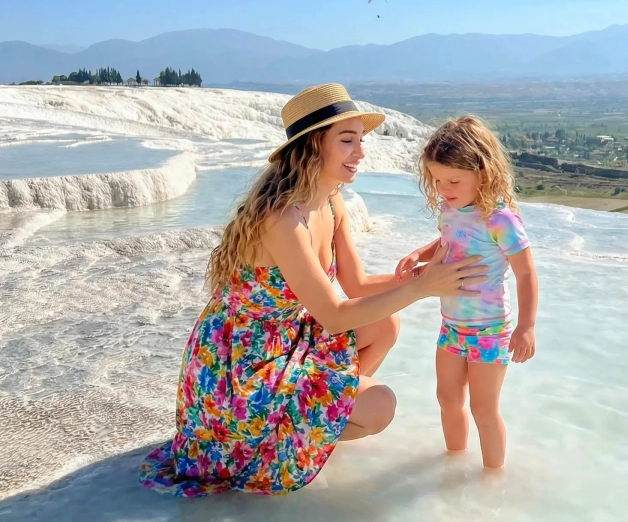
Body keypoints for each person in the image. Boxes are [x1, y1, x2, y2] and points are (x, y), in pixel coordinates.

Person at [140, 84, 487, 496]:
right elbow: (335, 314)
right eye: (347, 140)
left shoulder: (331, 201)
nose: (360, 152)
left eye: (361, 140)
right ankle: (281, 440)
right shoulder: (282, 220)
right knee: (380, 407)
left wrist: (426, 271)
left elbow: (355, 284)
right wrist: (425, 288)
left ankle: (313, 422)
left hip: (291, 337)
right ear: (311, 146)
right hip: (241, 365)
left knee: (385, 323)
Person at [395, 116, 538, 470]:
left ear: (484, 172)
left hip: (490, 331)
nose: (443, 188)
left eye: (454, 180)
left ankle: (493, 481)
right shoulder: (450, 209)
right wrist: (421, 254)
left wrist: (526, 327)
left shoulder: (500, 220)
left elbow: (526, 273)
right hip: (452, 326)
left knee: (484, 410)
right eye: (437, 180)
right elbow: (447, 239)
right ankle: (453, 464)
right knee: (446, 398)